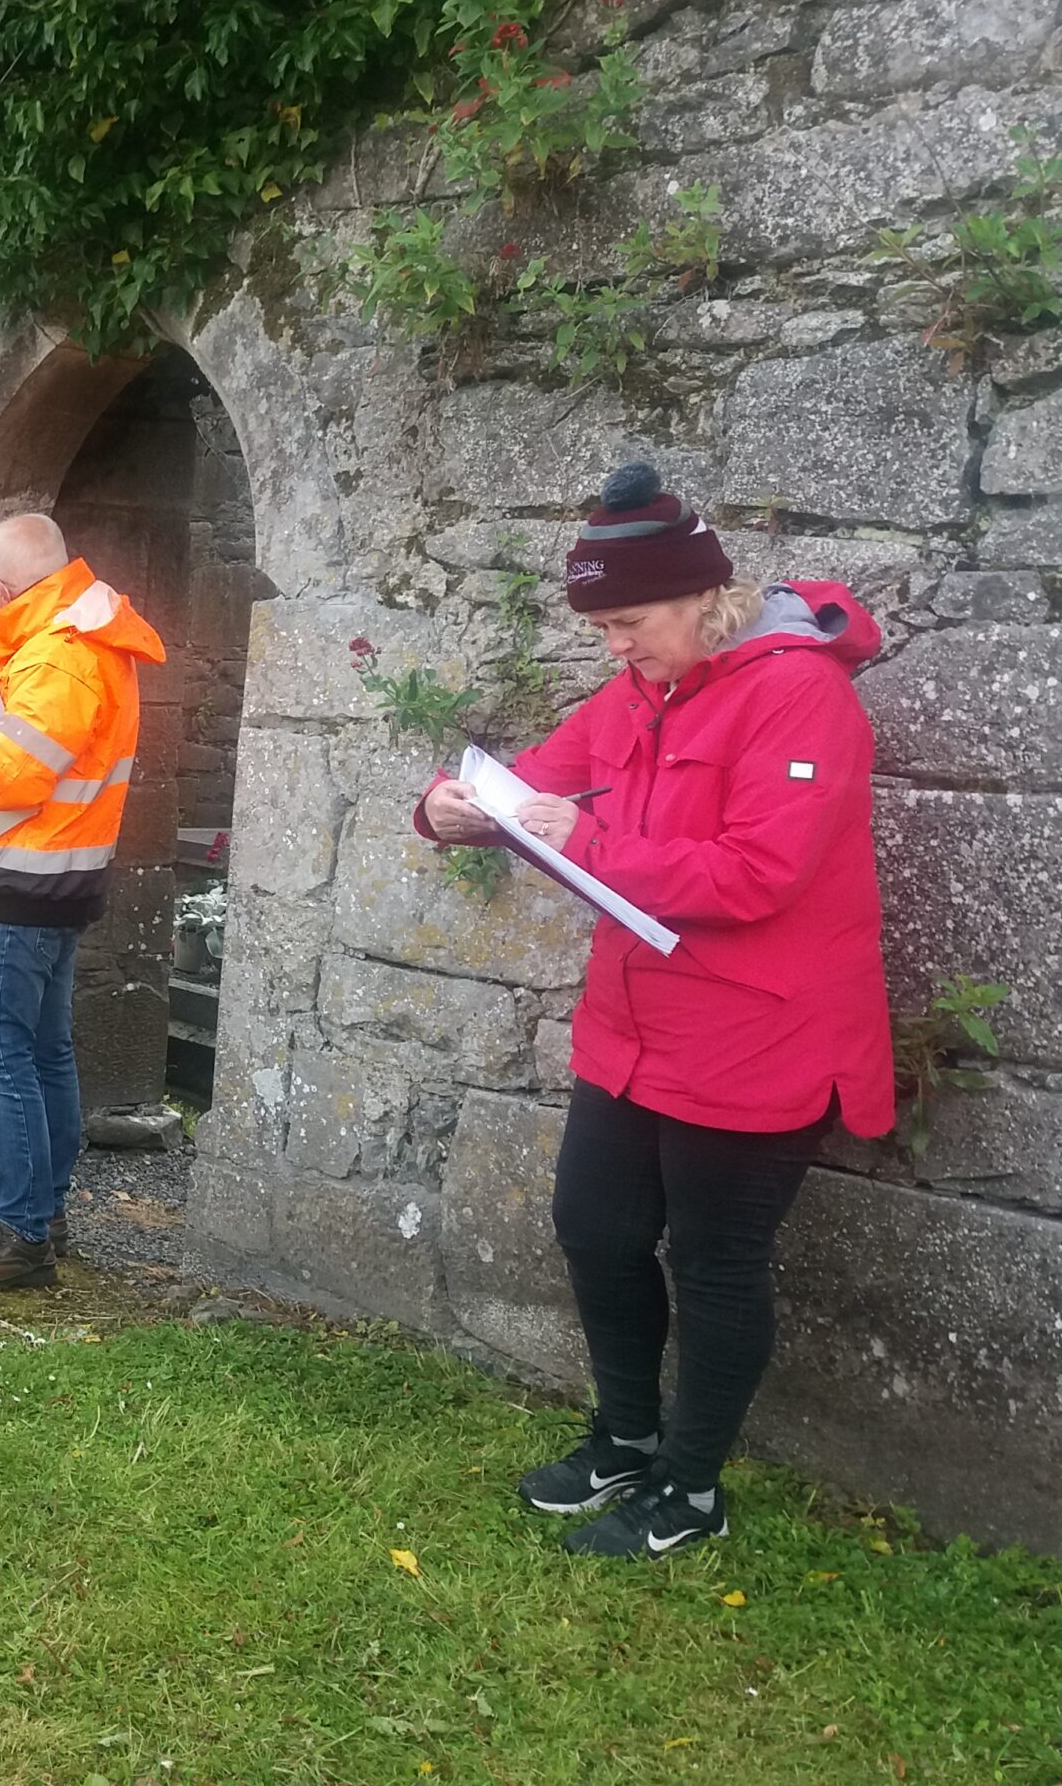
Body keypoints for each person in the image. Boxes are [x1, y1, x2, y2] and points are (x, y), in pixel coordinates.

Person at [417, 460, 893, 1558]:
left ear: (701, 598)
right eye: (600, 627)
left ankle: (690, 1488)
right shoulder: (639, 691)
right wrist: (449, 806)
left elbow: (759, 874)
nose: (613, 646)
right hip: (634, 1028)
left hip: (760, 1035)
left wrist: (583, 839)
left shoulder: (800, 693)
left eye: (628, 623)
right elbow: (533, 778)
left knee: (715, 1264)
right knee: (595, 1228)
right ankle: (626, 1438)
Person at [0, 513, 165, 1290]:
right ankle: (42, 1205)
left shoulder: (62, 657)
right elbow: (4, 641)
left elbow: (12, 773)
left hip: (28, 885)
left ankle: (22, 1235)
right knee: (44, 1049)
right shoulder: (72, 619)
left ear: (0, 587)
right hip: (56, 879)